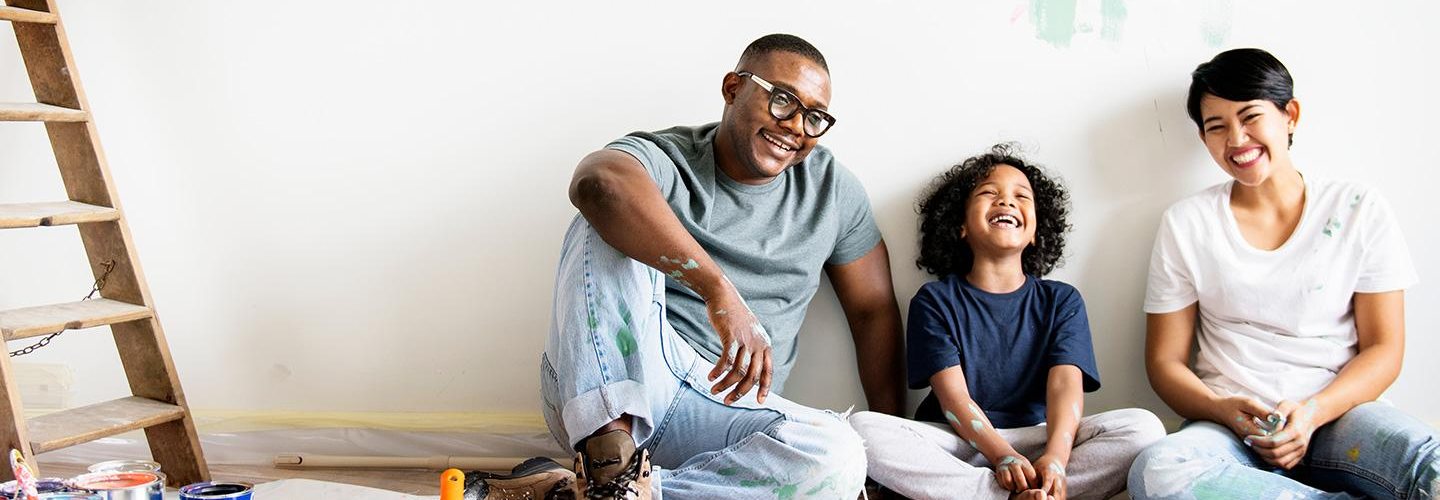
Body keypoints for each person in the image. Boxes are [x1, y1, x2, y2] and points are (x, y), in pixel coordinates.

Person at [473, 34, 906, 499]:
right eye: (782, 101)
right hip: (622, 381)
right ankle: (609, 454)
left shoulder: (833, 190)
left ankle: (601, 491)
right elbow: (597, 182)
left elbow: (873, 310)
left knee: (840, 456)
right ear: (733, 88)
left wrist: (891, 456)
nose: (796, 126)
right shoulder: (669, 157)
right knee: (598, 221)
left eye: (814, 116)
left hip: (729, 413)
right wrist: (718, 290)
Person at [1128, 48, 1439, 500]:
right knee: (1157, 471)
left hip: (1340, 417)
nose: (1236, 139)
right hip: (1231, 432)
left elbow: (1385, 349)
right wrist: (1221, 409)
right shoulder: (1187, 222)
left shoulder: (1357, 208)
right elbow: (1164, 362)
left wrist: (1313, 412)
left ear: (1290, 115)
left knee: (1430, 461)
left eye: (1250, 116)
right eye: (1216, 126)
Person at [849, 144, 1165, 500]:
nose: (1006, 201)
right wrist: (1001, 456)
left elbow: (1065, 388)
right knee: (861, 429)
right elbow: (953, 399)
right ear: (961, 226)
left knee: (1144, 428)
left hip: (1039, 440)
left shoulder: (1062, 301)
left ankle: (1042, 487)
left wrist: (1057, 460)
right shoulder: (935, 301)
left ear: (1034, 234)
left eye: (1021, 196)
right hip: (959, 444)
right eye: (989, 193)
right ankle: (1005, 496)